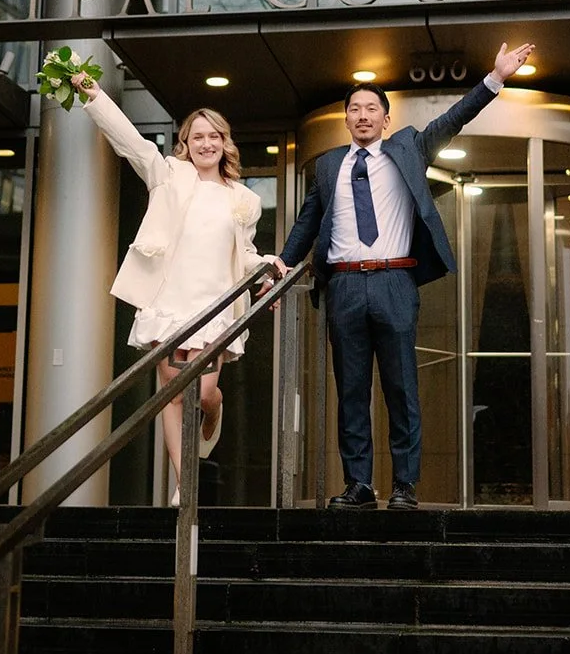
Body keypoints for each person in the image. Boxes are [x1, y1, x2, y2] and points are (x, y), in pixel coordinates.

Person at [276, 42, 535, 510]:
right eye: (354, 109)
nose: (362, 116)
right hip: (346, 286)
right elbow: (307, 221)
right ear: (346, 118)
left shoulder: (409, 147)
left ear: (386, 118)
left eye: (371, 108)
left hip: (395, 281)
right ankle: (359, 486)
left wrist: (495, 77)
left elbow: (454, 118)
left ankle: (404, 486)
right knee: (351, 389)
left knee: (401, 387)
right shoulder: (328, 164)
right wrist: (282, 263)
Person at [72, 71, 268, 505]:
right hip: (170, 303)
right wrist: (94, 95)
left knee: (203, 391)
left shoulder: (243, 199)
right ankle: (187, 483)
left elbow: (245, 254)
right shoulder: (168, 177)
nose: (205, 144)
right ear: (185, 143)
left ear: (224, 142)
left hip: (215, 306)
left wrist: (267, 265)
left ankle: (213, 415)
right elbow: (130, 141)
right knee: (170, 393)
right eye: (197, 137)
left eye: (213, 136)